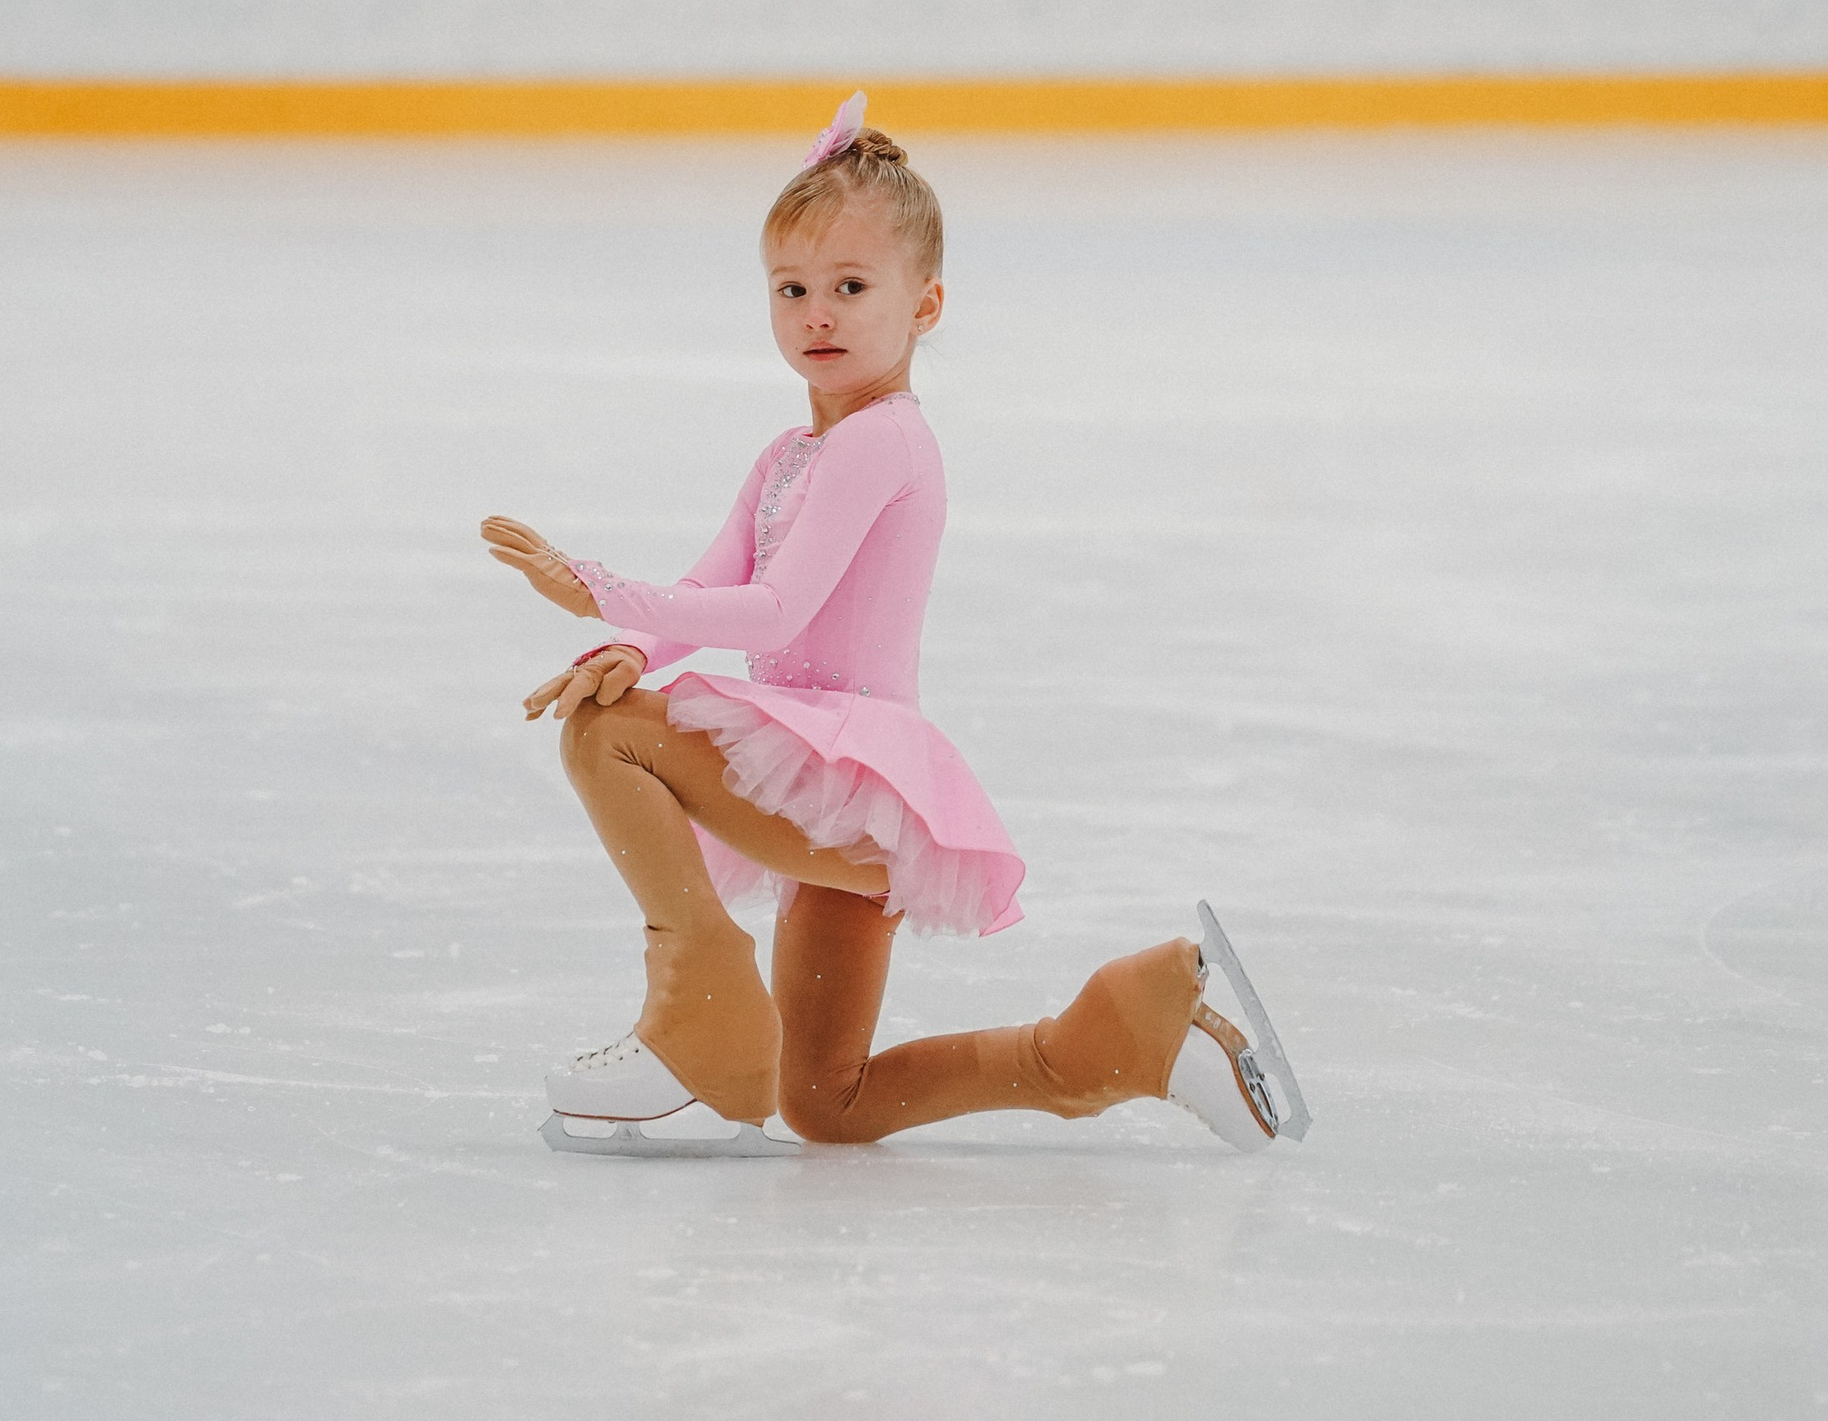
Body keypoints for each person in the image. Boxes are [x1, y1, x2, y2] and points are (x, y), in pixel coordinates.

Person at [481, 94, 1308, 1157]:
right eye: (791, 289)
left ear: (925, 306)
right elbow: (711, 583)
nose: (815, 314)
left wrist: (600, 590)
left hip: (850, 783)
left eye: (850, 288)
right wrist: (629, 647)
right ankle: (1118, 1037)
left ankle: (696, 1003)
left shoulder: (884, 442)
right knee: (824, 1102)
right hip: (828, 789)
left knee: (607, 736)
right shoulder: (787, 454)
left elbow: (777, 612)